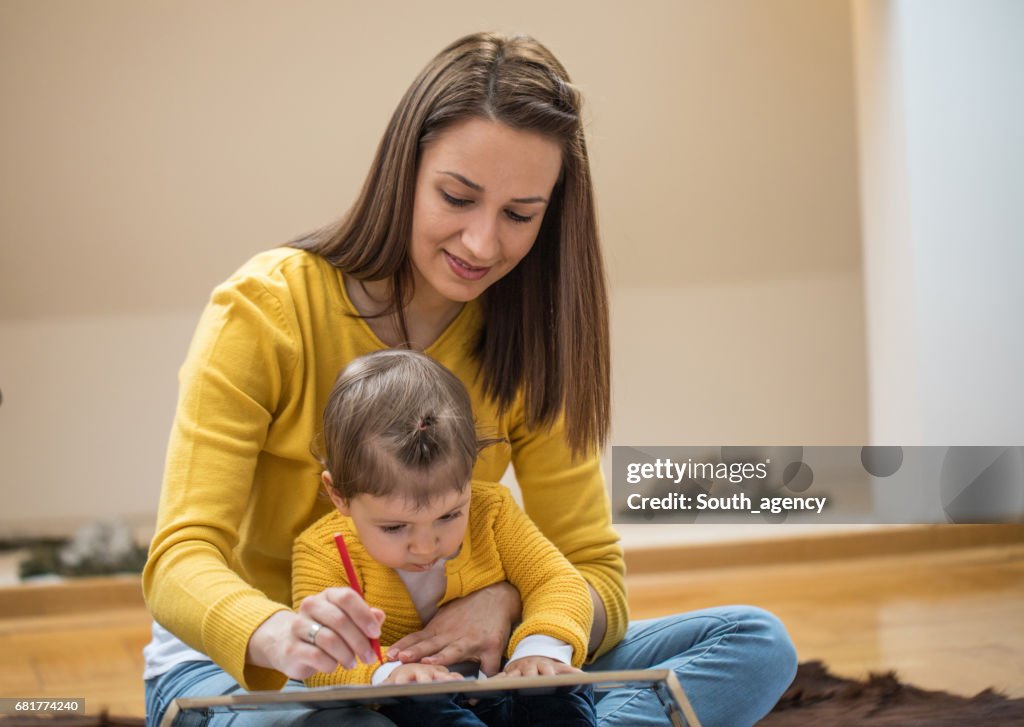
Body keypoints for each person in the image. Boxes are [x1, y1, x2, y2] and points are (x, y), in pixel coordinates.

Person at [143, 31, 797, 727]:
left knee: (754, 642)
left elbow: (594, 573)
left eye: (520, 215)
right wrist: (282, 633)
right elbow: (180, 561)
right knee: (346, 723)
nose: (484, 244)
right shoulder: (264, 310)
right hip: (269, 673)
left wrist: (508, 605)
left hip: (456, 670)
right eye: (458, 197)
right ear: (405, 170)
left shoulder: (529, 338)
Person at [292, 348, 596, 727]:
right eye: (394, 527)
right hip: (413, 706)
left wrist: (538, 652)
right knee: (409, 710)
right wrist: (388, 676)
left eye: (449, 515)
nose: (425, 547)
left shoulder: (493, 511)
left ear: (470, 475)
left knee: (558, 689)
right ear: (339, 496)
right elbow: (316, 658)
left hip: (504, 683)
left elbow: (559, 582)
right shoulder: (321, 551)